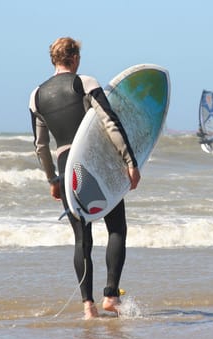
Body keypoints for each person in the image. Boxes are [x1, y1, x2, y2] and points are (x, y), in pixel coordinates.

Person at [29, 37, 141, 320]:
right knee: (116, 228)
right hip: (95, 162)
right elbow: (109, 122)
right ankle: (111, 296)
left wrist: (52, 179)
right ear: (75, 58)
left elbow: (41, 146)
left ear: (53, 59)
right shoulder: (85, 83)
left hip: (68, 167)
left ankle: (87, 307)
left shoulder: (37, 96)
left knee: (82, 238)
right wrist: (130, 161)